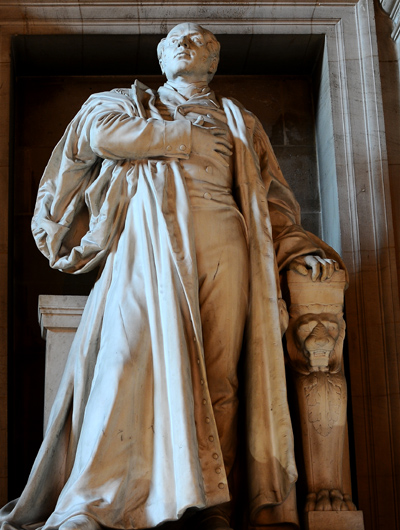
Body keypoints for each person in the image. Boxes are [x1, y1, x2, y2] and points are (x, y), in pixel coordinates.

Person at [0, 23, 341, 530]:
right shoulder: (127, 104)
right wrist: (181, 135)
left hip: (225, 239)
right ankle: (92, 500)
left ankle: (212, 505)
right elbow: (101, 136)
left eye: (200, 40)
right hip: (147, 244)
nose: (187, 44)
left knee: (220, 375)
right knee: (123, 358)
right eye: (176, 39)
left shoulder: (239, 121)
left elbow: (270, 205)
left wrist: (299, 250)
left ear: (215, 61)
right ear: (161, 57)